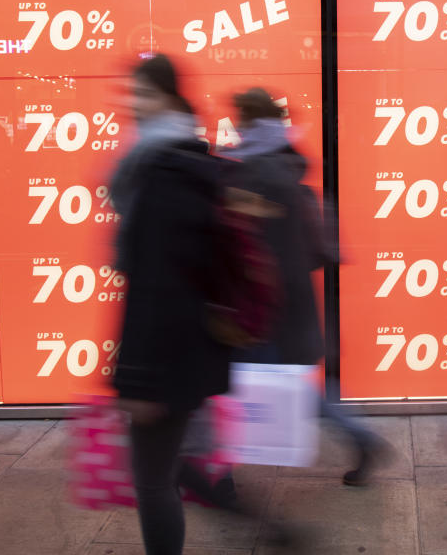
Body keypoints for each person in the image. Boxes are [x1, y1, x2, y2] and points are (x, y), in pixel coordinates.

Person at [223, 87, 388, 486]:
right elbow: (319, 253)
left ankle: (217, 473)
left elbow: (235, 247)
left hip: (260, 308)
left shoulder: (246, 174)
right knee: (281, 386)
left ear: (247, 123)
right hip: (292, 306)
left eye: (238, 120)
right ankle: (362, 437)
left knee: (236, 385)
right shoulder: (294, 175)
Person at [108, 54, 230, 555]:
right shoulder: (190, 158)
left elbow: (156, 286)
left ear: (168, 99)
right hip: (190, 348)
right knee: (167, 464)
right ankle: (246, 511)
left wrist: (137, 377)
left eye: (143, 93)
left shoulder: (161, 172)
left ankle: (256, 517)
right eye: (130, 91)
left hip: (164, 357)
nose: (131, 102)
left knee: (153, 481)